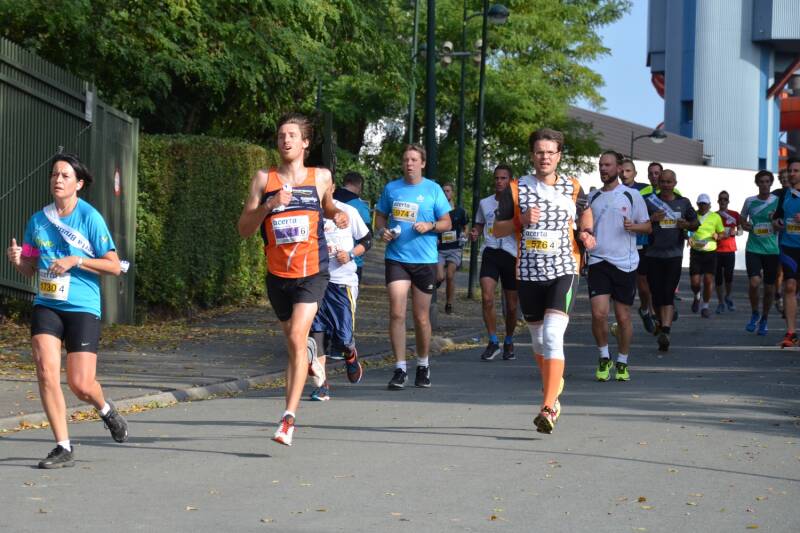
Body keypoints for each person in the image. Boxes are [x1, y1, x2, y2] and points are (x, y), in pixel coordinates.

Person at [5, 154, 127, 469]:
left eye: (65, 175)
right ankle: (62, 446)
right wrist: (19, 260)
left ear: (79, 183)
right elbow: (31, 267)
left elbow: (113, 266)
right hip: (47, 305)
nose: (58, 180)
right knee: (46, 371)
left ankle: (105, 409)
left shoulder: (90, 218)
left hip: (83, 306)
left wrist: (76, 260)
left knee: (80, 384)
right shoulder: (38, 221)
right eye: (54, 175)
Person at [237, 113, 348, 446]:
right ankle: (311, 357)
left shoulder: (321, 176)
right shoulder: (263, 179)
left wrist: (337, 214)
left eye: (292, 135)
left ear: (305, 143)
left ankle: (288, 419)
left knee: (298, 337)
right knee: (294, 343)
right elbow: (244, 230)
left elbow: (326, 206)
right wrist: (270, 204)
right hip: (277, 276)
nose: (285, 140)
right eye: (281, 135)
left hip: (312, 271)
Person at [493, 128, 595, 434]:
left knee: (552, 334)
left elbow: (585, 213)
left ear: (559, 156)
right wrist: (519, 221)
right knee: (538, 340)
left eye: (551, 152)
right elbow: (496, 230)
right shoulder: (515, 188)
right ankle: (553, 387)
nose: (545, 157)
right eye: (540, 152)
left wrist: (587, 232)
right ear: (532, 155)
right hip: (529, 272)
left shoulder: (573, 186)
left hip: (564, 268)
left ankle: (549, 406)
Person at [375, 144, 451, 390]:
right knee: (397, 312)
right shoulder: (392, 188)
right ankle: (399, 368)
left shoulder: (433, 189)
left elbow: (446, 223)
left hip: (424, 260)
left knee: (420, 317)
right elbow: (380, 216)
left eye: (414, 159)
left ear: (422, 163)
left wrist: (430, 226)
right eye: (406, 159)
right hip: (397, 257)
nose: (409, 163)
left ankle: (423, 364)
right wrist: (382, 231)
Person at [587, 152, 651, 382]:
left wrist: (634, 226)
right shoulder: (592, 197)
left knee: (623, 317)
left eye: (608, 165)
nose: (604, 168)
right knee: (598, 313)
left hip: (625, 262)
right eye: (601, 164)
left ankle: (622, 361)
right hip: (598, 261)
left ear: (618, 168)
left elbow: (648, 227)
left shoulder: (632, 195)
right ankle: (604, 357)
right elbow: (583, 227)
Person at [308, 198, 372, 401]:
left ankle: (350, 354)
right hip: (315, 281)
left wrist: (351, 254)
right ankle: (321, 384)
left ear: (332, 187)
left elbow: (367, 240)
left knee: (343, 338)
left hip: (342, 283)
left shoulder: (348, 211)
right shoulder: (308, 209)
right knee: (317, 333)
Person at [645, 169, 698, 351]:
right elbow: (639, 221)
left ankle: (666, 331)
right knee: (657, 294)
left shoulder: (683, 202)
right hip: (652, 254)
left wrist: (687, 225)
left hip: (674, 255)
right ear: (658, 183)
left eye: (669, 182)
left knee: (668, 293)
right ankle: (661, 324)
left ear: (675, 183)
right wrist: (651, 218)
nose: (666, 185)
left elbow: (696, 223)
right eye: (663, 181)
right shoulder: (650, 201)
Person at [470, 164, 519, 361]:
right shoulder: (485, 203)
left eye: (503, 178)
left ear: (510, 181)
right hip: (490, 252)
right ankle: (492, 341)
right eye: (497, 178)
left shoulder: (518, 204)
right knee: (488, 297)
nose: (499, 181)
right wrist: (475, 231)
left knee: (512, 305)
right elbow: (480, 223)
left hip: (511, 254)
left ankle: (508, 339)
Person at [740, 170, 779, 335]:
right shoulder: (750, 201)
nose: (764, 184)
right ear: (757, 183)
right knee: (754, 283)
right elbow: (742, 219)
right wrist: (745, 225)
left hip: (772, 250)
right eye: (761, 181)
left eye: (767, 181)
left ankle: (764, 318)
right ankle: (755, 312)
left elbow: (781, 224)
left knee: (769, 289)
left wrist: (774, 221)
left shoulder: (777, 201)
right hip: (753, 248)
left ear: (771, 183)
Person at [771, 157, 800, 347]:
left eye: (796, 171)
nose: (791, 174)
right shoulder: (782, 195)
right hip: (789, 246)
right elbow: (776, 218)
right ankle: (791, 332)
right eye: (790, 170)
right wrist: (776, 222)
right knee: (789, 286)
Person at [635, 161, 665, 333]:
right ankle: (647, 310)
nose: (654, 176)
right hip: (646, 241)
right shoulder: (642, 193)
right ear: (647, 175)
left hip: (666, 245)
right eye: (651, 173)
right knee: (645, 284)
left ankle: (658, 313)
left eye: (657, 173)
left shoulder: (673, 193)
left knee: (659, 284)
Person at [689, 194, 725, 318]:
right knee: (695, 282)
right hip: (696, 252)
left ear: (709, 204)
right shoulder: (692, 214)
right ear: (697, 204)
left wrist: (718, 236)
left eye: (705, 203)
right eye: (700, 203)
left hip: (710, 252)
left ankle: (705, 306)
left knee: (708, 280)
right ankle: (697, 296)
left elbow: (722, 233)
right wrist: (688, 237)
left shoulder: (715, 217)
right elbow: (687, 228)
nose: (702, 206)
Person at [333, 172, 372, 285]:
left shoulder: (327, 200)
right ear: (359, 186)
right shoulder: (360, 206)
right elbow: (368, 239)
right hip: (351, 262)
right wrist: (351, 255)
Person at [436, 182, 469, 314]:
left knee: (450, 275)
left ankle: (449, 303)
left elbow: (466, 227)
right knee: (439, 277)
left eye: (448, 191)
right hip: (440, 249)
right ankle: (436, 282)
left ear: (452, 193)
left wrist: (464, 235)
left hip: (455, 249)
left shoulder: (460, 211)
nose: (445, 193)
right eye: (443, 191)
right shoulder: (437, 210)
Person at [714, 190, 740, 314]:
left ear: (728, 201)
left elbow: (741, 229)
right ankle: (720, 303)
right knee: (718, 278)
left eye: (725, 199)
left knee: (729, 277)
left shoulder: (735, 215)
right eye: (721, 199)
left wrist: (737, 232)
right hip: (716, 251)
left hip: (730, 250)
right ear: (718, 201)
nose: (723, 201)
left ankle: (728, 296)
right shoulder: (713, 216)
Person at [771, 167, 791, 314]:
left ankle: (790, 297)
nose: (784, 180)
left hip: (795, 236)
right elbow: (767, 207)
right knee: (780, 270)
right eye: (781, 178)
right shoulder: (776, 194)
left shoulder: (796, 193)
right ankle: (779, 296)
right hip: (779, 235)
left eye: (786, 177)